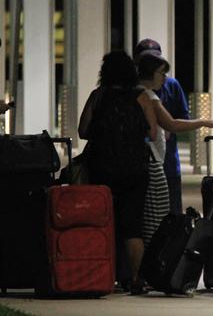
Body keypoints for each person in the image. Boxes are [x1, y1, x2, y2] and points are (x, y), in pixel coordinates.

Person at [78, 51, 157, 295]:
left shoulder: (98, 96)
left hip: (102, 169)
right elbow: (153, 133)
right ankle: (135, 278)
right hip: (135, 170)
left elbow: (82, 131)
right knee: (132, 226)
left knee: (103, 223)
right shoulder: (141, 97)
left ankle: (104, 276)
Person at [136, 50, 213, 247]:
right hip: (153, 163)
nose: (164, 78)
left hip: (134, 163)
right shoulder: (148, 96)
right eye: (161, 73)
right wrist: (203, 122)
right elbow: (172, 124)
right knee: (158, 215)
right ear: (150, 73)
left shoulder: (130, 92)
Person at [134, 39, 190, 215]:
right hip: (142, 163)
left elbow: (181, 118)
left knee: (172, 213)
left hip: (169, 163)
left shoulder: (171, 85)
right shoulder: (136, 90)